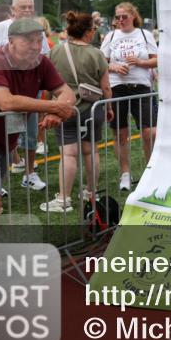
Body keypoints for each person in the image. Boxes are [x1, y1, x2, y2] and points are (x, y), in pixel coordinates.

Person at [0, 18, 75, 237]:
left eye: (39, 40)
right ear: (10, 41)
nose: (36, 46)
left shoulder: (41, 63)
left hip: (4, 136)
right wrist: (54, 106)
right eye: (28, 41)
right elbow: (6, 102)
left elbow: (67, 93)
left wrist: (56, 112)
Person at [43, 11, 114, 212]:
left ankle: (64, 199)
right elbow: (106, 87)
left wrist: (48, 107)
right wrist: (109, 107)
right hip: (93, 108)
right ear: (89, 32)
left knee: (68, 154)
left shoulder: (55, 51)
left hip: (64, 107)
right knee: (91, 151)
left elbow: (48, 84)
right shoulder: (97, 54)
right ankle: (91, 192)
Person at [0, 0, 50, 187]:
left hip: (31, 89)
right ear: (13, 9)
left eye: (30, 6)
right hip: (5, 91)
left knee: (30, 134)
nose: (28, 10)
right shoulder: (0, 29)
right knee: (3, 134)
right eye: (23, 7)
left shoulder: (38, 29)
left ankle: (29, 174)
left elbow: (45, 56)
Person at [100, 2, 158, 191]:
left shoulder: (144, 34)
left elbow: (156, 59)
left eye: (124, 16)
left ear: (133, 16)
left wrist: (141, 62)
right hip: (117, 88)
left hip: (141, 86)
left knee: (150, 132)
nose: (121, 20)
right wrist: (114, 67)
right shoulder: (111, 36)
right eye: (117, 17)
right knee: (120, 133)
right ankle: (125, 174)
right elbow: (101, 62)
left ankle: (151, 171)